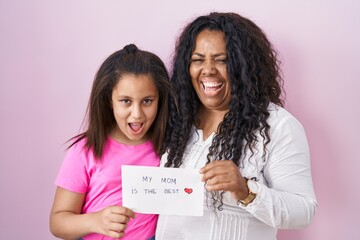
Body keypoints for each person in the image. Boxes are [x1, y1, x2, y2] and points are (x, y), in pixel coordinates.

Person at [156, 12, 317, 240]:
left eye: (222, 60)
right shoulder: (177, 119)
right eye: (198, 59)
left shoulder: (278, 126)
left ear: (244, 66)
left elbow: (304, 211)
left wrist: (245, 189)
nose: (208, 69)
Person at [50, 44, 174, 240]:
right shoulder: (85, 150)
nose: (137, 114)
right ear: (109, 100)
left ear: (160, 99)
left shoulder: (168, 148)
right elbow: (58, 222)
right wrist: (95, 221)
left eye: (147, 101)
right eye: (126, 101)